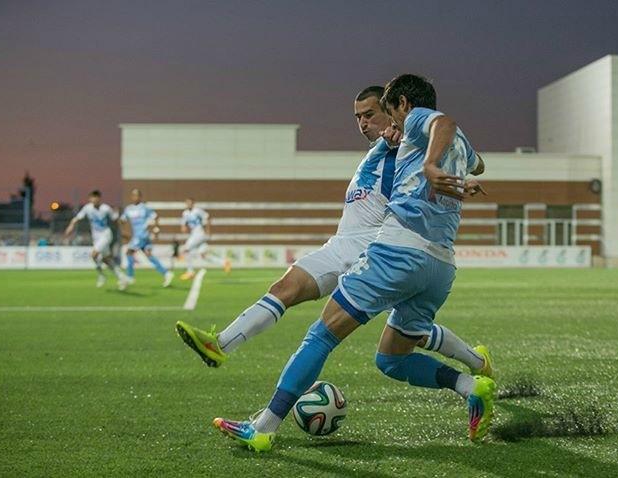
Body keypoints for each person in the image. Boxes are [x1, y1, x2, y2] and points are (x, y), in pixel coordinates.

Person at [211, 74, 495, 452]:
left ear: (403, 104)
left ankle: (262, 428)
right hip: (440, 266)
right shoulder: (460, 143)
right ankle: (471, 386)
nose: (395, 124)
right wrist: (458, 178)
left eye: (392, 112)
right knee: (392, 360)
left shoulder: (419, 118)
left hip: (399, 252)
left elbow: (443, 122)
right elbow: (478, 165)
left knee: (321, 335)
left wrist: (429, 164)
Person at [176, 86, 487, 377]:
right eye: (358, 117)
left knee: (408, 333)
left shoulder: (408, 146)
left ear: (393, 112)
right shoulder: (381, 149)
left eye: (370, 115)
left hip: (379, 247)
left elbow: (434, 162)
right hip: (342, 244)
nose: (363, 123)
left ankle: (476, 362)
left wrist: (446, 172)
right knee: (286, 287)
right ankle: (220, 344)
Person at [64, 190, 129, 290]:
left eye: (96, 198)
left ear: (99, 198)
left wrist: (123, 231)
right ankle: (122, 277)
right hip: (96, 237)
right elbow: (77, 218)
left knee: (94, 255)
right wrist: (71, 226)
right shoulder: (87, 208)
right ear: (89, 199)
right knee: (106, 259)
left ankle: (101, 275)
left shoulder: (105, 208)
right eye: (92, 198)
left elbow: (115, 219)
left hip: (106, 235)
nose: (94, 200)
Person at [119, 189, 173, 287]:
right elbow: (122, 220)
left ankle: (130, 277)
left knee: (129, 252)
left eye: (137, 195)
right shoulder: (128, 209)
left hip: (142, 235)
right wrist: (122, 228)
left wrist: (156, 229)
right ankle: (166, 273)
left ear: (140, 197)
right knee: (148, 255)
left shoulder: (144, 208)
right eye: (133, 195)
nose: (135, 197)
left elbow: (155, 217)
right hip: (137, 235)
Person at [179, 198, 231, 280]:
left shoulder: (197, 211)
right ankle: (224, 262)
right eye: (187, 203)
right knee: (203, 255)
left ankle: (190, 272)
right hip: (194, 234)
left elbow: (208, 217)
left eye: (190, 203)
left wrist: (208, 229)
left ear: (193, 203)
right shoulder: (185, 213)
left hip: (199, 233)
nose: (188, 204)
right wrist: (183, 227)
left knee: (186, 250)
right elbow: (184, 223)